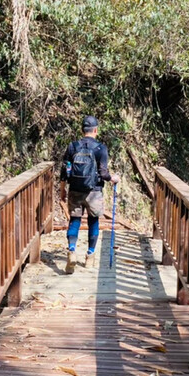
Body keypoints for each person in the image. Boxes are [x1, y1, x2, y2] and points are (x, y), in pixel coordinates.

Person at [60, 115, 120, 273]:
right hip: (94, 191)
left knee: (74, 220)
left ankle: (72, 250)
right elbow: (104, 173)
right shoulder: (100, 148)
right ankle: (90, 256)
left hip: (75, 189)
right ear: (96, 130)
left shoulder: (73, 147)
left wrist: (62, 191)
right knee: (93, 221)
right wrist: (113, 178)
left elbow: (64, 171)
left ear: (82, 130)